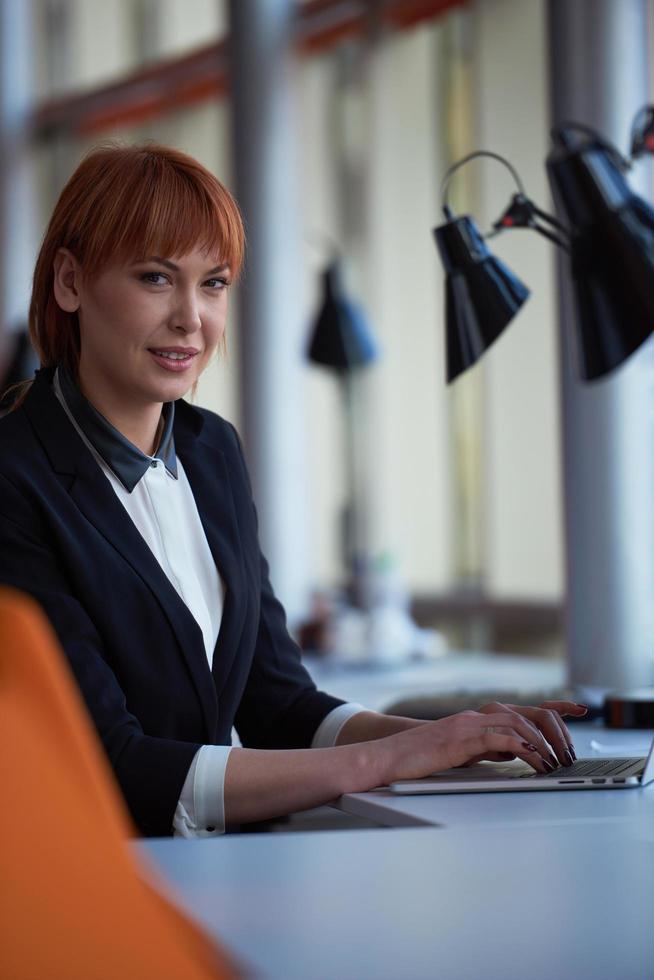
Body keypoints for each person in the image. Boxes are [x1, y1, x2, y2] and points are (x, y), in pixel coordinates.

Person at [0, 143, 588, 838]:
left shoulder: (211, 450)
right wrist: (396, 755)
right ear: (70, 281)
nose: (192, 319)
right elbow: (115, 766)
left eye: (213, 283)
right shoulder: (16, 475)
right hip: (98, 885)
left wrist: (464, 741)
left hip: (224, 873)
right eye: (156, 278)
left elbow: (277, 702)